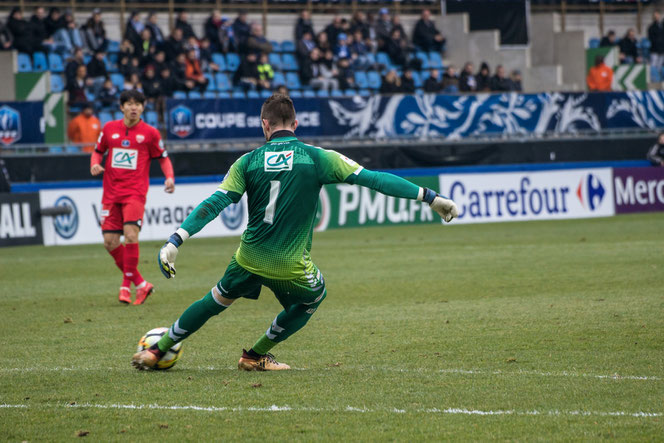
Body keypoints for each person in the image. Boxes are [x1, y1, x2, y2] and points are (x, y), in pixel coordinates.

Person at [131, 93, 458, 371]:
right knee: (314, 296)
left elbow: (215, 202)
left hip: (249, 257)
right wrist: (429, 197)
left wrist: (177, 238)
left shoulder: (247, 161)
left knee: (216, 299)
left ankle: (158, 349)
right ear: (295, 125)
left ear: (265, 125)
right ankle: (255, 355)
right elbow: (373, 179)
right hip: (290, 264)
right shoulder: (318, 158)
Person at [90, 90, 175, 305]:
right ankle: (141, 284)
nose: (134, 107)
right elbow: (98, 151)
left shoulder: (150, 133)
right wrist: (94, 164)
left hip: (135, 193)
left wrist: (169, 178)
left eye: (138, 103)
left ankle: (125, 286)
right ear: (122, 107)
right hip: (110, 193)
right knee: (109, 242)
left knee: (130, 236)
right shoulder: (109, 129)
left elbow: (163, 158)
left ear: (143, 107)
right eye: (129, 103)